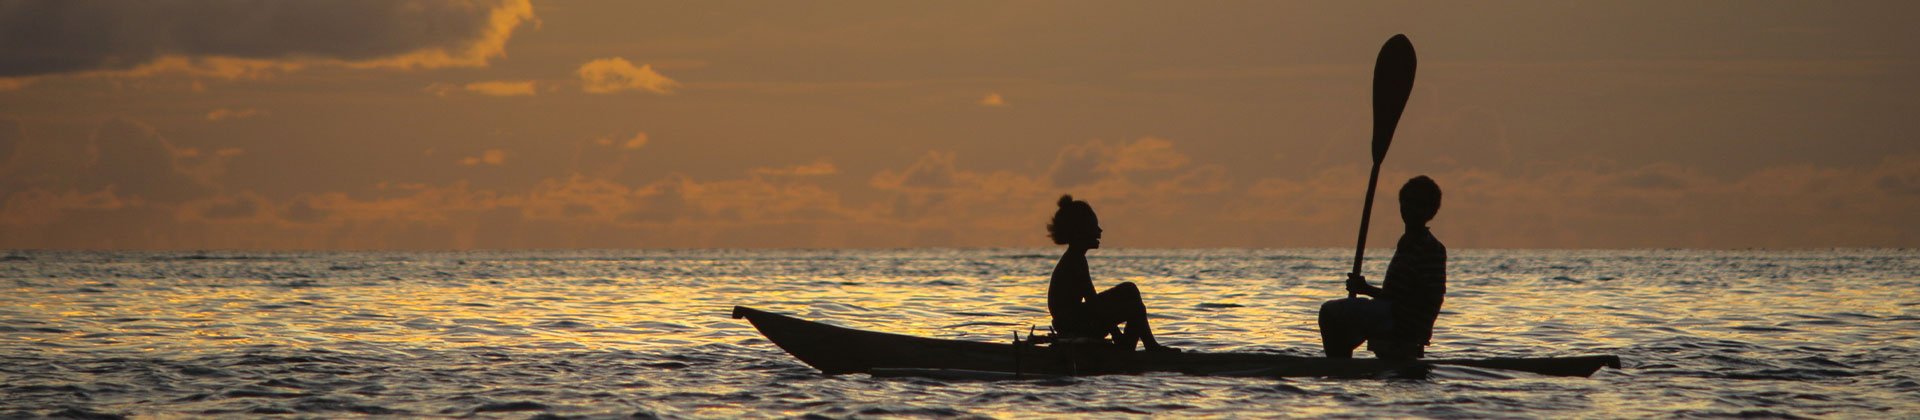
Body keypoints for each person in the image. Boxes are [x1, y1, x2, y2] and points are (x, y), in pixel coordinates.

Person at [1319, 176, 1447, 360]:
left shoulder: (1423, 246)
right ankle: (1343, 356)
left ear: (1430, 210)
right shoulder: (1413, 242)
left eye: (1417, 204)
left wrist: (1364, 289)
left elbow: (1402, 299)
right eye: (1407, 202)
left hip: (1403, 322)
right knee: (1344, 319)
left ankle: (1338, 364)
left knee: (1329, 312)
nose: (1409, 209)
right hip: (1403, 320)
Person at [1046, 195, 1179, 352]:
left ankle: (1144, 347)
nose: (1099, 231)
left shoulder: (1075, 258)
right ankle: (1137, 349)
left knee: (1129, 289)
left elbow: (1093, 304)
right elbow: (1094, 304)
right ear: (1080, 231)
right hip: (1075, 326)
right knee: (1133, 307)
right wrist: (1116, 333)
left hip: (1078, 320)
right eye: (1093, 226)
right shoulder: (1075, 262)